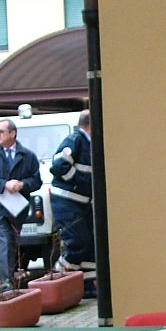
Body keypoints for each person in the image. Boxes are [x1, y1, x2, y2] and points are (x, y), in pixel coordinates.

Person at [0, 118, 41, 289]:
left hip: (17, 207)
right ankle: (6, 282)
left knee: (12, 241)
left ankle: (10, 276)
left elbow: (37, 180)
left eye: (1, 132)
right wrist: (4, 185)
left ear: (12, 133)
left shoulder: (28, 156)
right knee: (4, 239)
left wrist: (22, 184)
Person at [49, 110, 96, 297]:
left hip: (82, 203)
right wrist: (80, 180)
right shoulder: (75, 140)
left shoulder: (90, 143)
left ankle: (87, 285)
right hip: (66, 202)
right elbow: (59, 166)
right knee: (76, 243)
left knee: (90, 245)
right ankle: (58, 277)